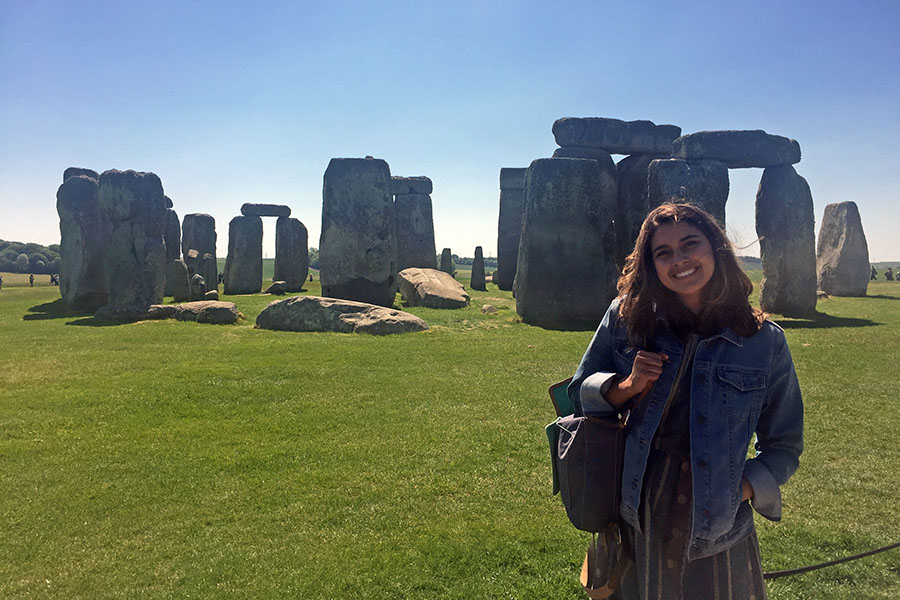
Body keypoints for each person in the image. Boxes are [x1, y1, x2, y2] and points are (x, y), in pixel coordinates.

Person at [568, 203, 803, 599]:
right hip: (636, 509)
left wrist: (741, 488)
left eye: (689, 244)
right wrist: (625, 386)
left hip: (720, 524)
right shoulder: (625, 318)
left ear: (715, 249)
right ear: (651, 264)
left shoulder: (764, 342)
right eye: (664, 253)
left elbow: (784, 444)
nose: (679, 260)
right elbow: (577, 394)